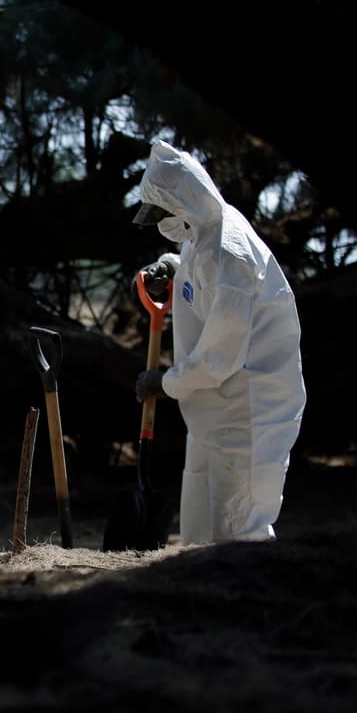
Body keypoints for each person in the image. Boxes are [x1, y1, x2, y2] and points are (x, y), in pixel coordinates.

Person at [132, 140, 306, 544]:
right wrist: (171, 267)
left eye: (164, 213)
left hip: (247, 410)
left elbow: (218, 359)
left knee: (237, 529)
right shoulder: (205, 231)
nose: (165, 223)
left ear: (184, 202)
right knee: (198, 524)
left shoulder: (231, 255)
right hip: (213, 410)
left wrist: (166, 383)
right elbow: (200, 277)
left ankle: (242, 605)